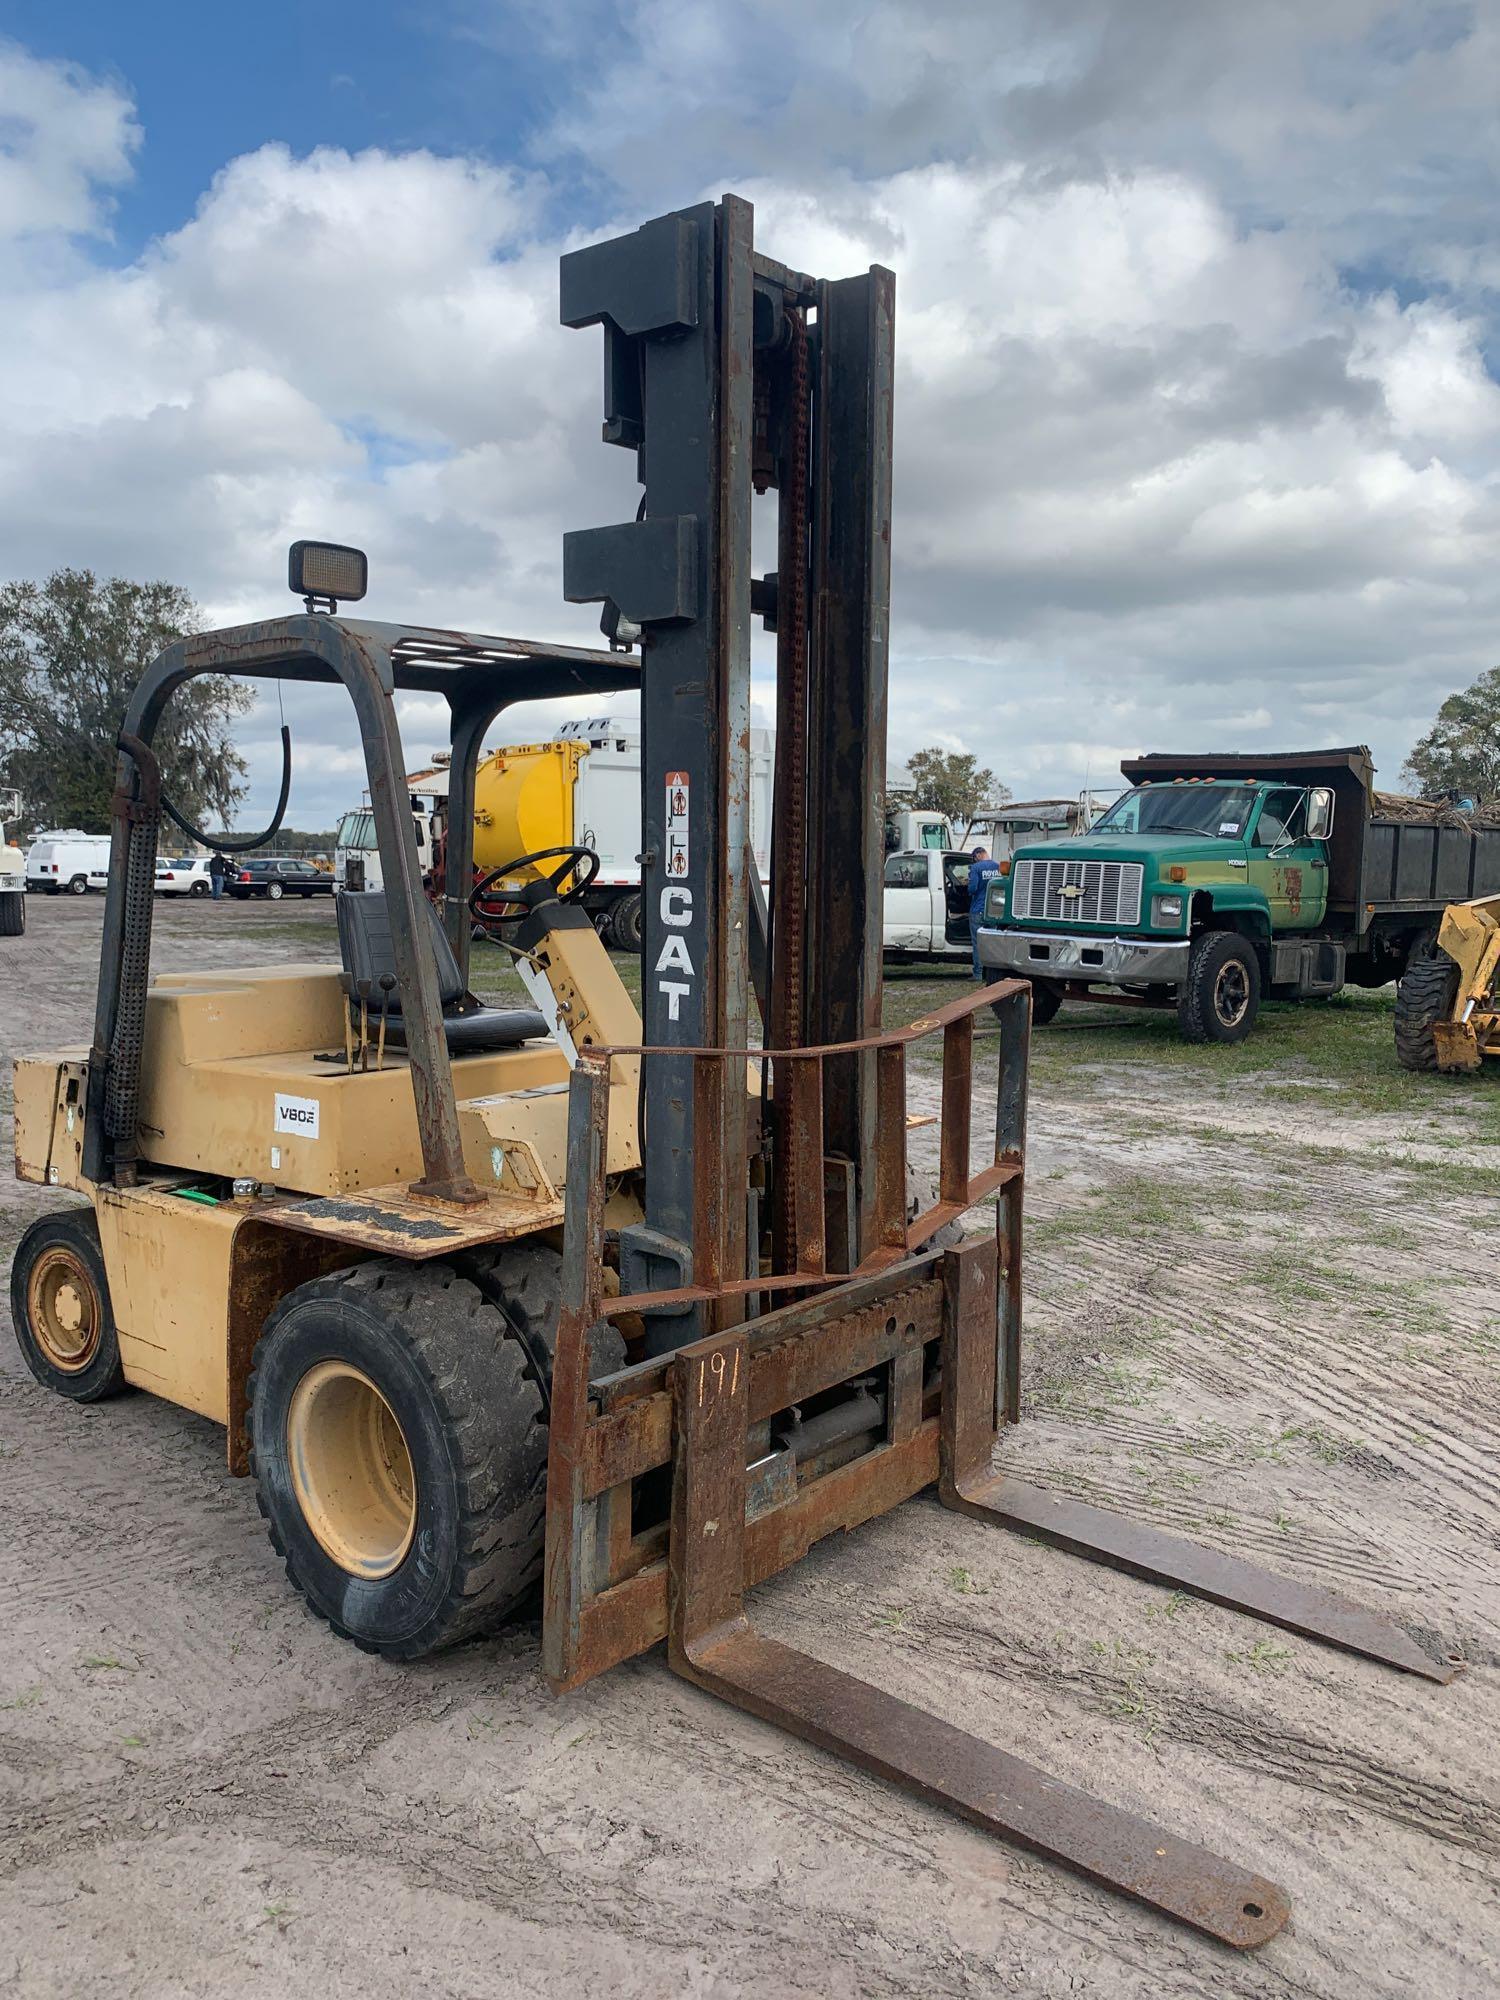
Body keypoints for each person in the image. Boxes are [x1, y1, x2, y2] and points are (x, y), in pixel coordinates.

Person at [967, 846, 1000, 980]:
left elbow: (972, 888)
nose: (974, 861)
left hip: (978, 910)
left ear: (979, 855)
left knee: (978, 943)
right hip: (994, 911)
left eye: (974, 858)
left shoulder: (976, 868)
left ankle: (978, 974)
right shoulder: (997, 867)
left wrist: (968, 887)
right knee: (993, 945)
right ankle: (993, 974)